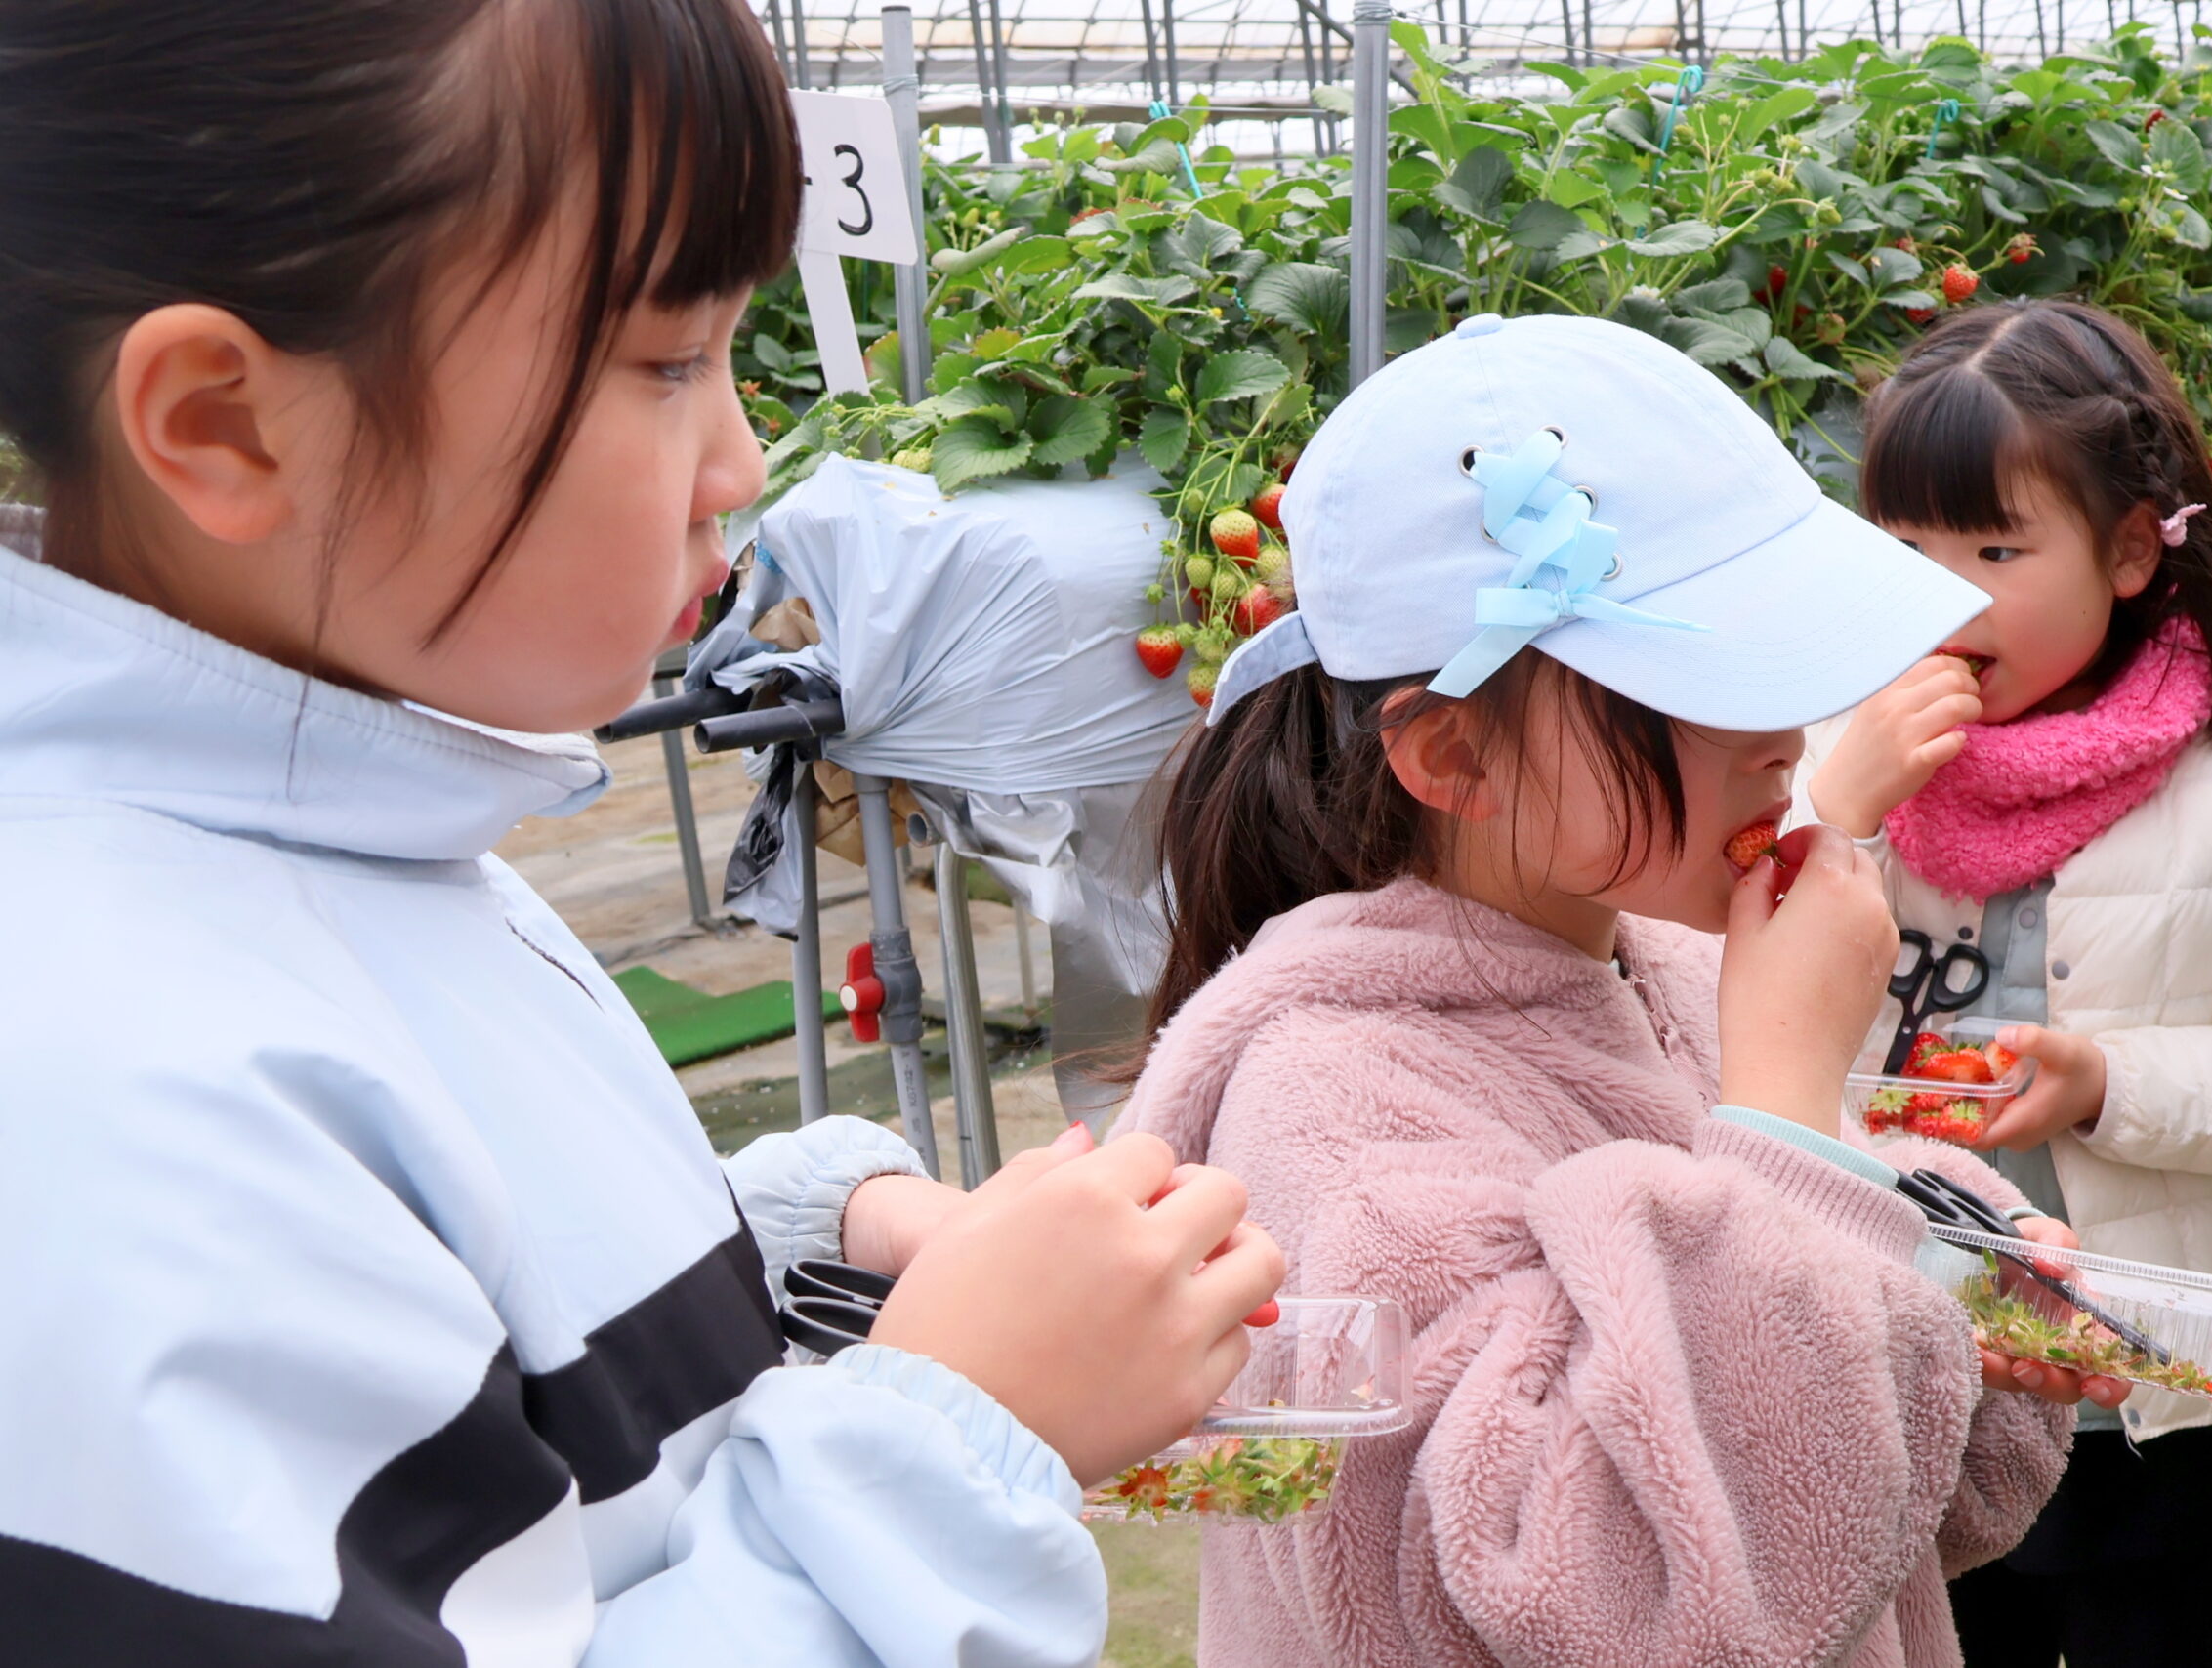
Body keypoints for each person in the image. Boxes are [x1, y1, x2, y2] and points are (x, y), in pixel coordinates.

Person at [0, 3, 1282, 1664]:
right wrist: (963, 1428)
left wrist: (813, 1235)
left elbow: (489, 1318)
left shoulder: (359, 854)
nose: (739, 462)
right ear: (226, 424)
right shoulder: (110, 1106)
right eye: (670, 363)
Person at [1115, 311, 2116, 1668]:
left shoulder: (1670, 968)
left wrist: (1943, 1264)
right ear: (1454, 758)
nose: (1782, 739)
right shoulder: (1338, 1124)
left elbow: (1874, 1529)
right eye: (1702, 683)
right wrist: (1786, 1118)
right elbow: (1647, 1604)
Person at [1798, 298, 2212, 1667]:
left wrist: (2105, 1082)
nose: (1944, 595)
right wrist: (1837, 814)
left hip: (2145, 1387)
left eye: (1996, 550)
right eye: (1906, 549)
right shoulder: (1835, 763)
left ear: (2130, 549)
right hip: (1918, 1360)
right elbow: (1730, 1012)